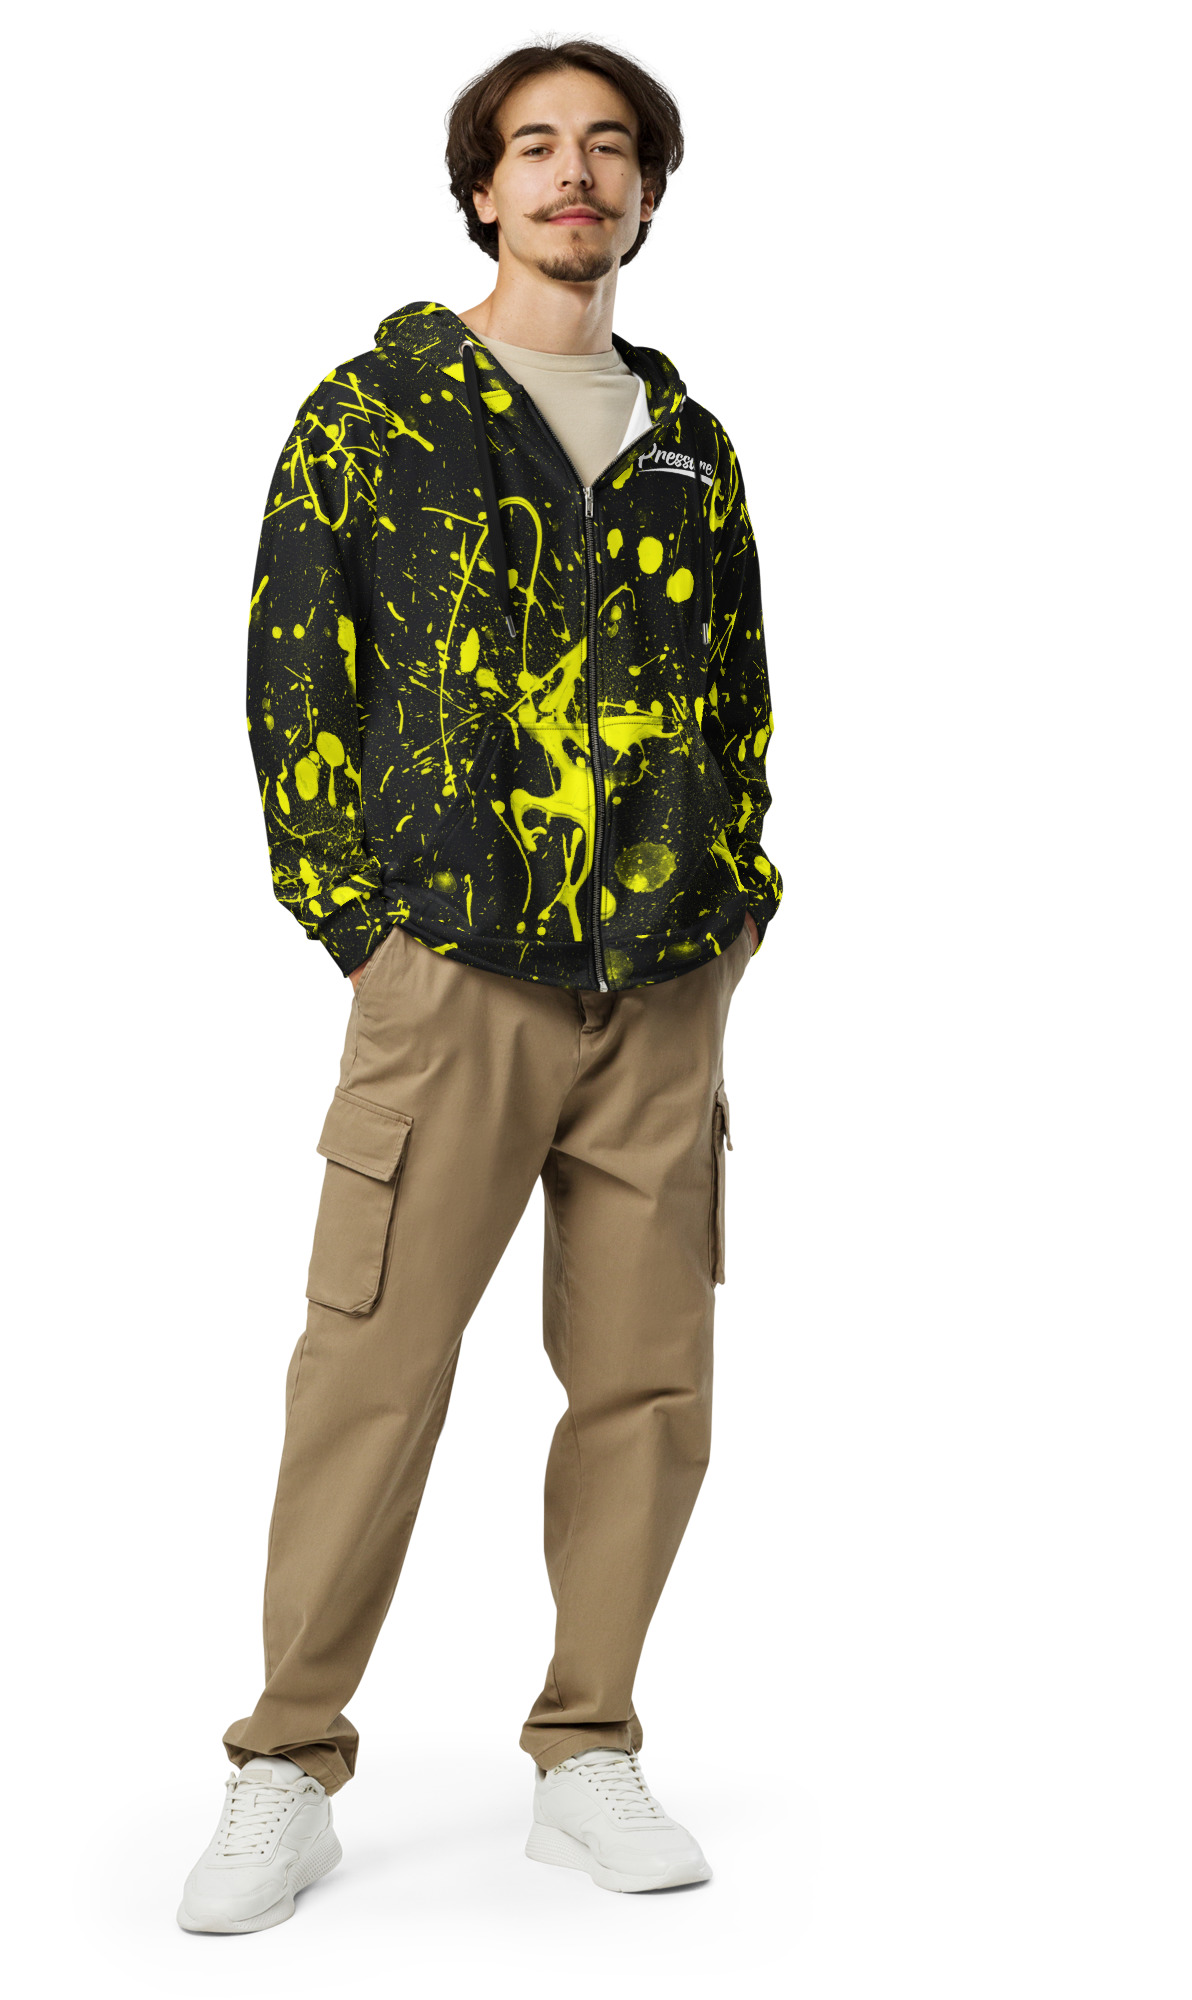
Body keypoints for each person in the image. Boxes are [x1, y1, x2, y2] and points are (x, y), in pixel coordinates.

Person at [179, 36, 785, 1934]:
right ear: (482, 190)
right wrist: (366, 929)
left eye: (609, 148)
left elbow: (739, 700)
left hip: (663, 985)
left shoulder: (689, 442)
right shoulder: (374, 415)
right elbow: (296, 684)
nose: (573, 175)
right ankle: (285, 1764)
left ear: (648, 193)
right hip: (452, 978)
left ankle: (586, 1744)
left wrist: (737, 905)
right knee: (371, 1371)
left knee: (647, 1381)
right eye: (536, 147)